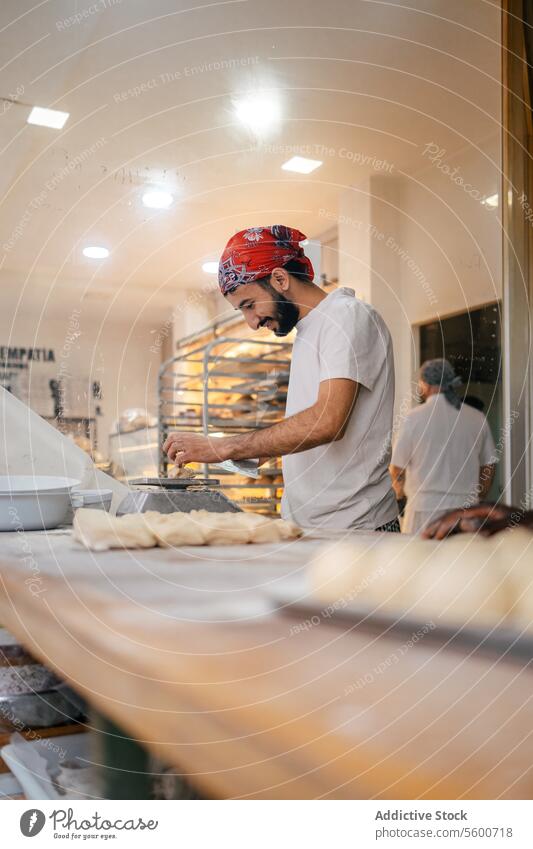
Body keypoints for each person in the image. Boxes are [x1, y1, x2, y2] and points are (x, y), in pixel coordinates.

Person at [164, 225, 399, 531]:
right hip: (311, 526)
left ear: (280, 278)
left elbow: (326, 423)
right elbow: (306, 433)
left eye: (249, 305)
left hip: (356, 529)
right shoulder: (308, 332)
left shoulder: (346, 316)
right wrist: (215, 451)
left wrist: (223, 447)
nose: (251, 323)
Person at [389, 358, 497, 534]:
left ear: (425, 384)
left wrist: (400, 495)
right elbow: (489, 465)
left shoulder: (414, 418)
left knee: (422, 560)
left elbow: (396, 470)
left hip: (423, 510)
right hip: (465, 512)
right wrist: (477, 495)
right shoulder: (476, 417)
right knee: (461, 560)